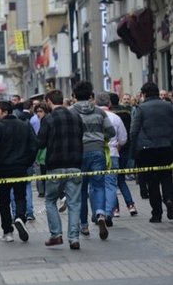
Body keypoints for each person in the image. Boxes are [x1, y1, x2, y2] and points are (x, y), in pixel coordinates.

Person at [37, 90, 85, 250]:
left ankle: (56, 235)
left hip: (55, 166)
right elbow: (82, 135)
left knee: (50, 200)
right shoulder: (76, 117)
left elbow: (41, 143)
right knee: (74, 203)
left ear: (49, 101)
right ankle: (74, 238)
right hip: (75, 165)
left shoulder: (48, 119)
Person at [0, 101, 38, 243]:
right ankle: (20, 217)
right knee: (20, 196)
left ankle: (7, 231)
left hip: (2, 167)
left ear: (5, 112)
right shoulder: (24, 125)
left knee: (4, 200)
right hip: (20, 167)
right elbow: (33, 146)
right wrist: (27, 162)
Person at [71, 81, 115, 239]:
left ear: (74, 96)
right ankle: (101, 214)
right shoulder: (99, 112)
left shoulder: (71, 112)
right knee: (99, 185)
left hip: (79, 153)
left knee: (81, 190)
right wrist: (100, 138)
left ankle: (84, 226)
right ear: (91, 96)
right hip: (97, 151)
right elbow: (111, 131)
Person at [129, 81, 173, 222]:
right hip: (167, 147)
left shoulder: (141, 109)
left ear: (145, 94)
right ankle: (169, 198)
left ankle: (157, 213)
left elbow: (134, 131)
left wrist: (133, 151)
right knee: (167, 176)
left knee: (152, 181)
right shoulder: (168, 106)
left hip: (147, 150)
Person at [94, 92, 128, 228]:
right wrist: (117, 147)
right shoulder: (116, 118)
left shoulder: (94, 117)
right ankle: (108, 214)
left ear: (96, 103)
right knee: (111, 185)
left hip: (96, 153)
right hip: (113, 153)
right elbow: (124, 139)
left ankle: (98, 213)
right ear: (109, 104)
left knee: (96, 185)